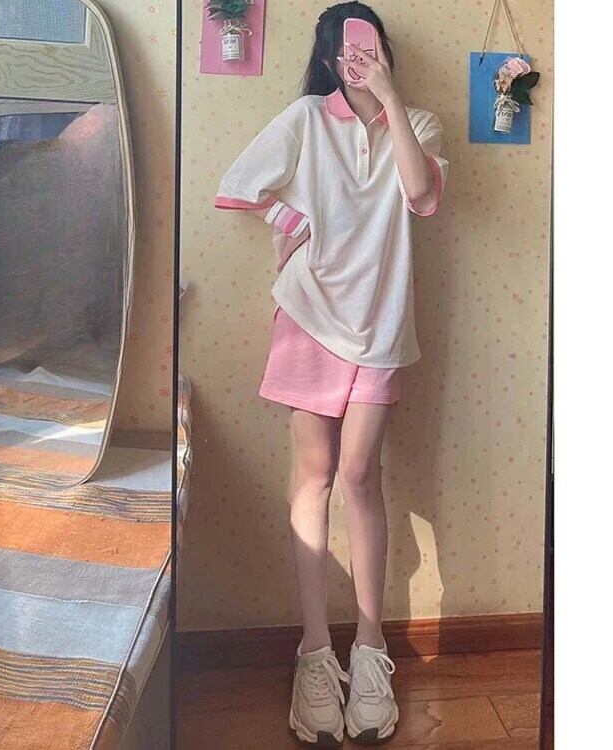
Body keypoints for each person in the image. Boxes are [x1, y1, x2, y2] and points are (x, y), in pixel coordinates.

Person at [215, 2, 448, 745]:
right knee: (313, 479)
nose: (357, 57)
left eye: (368, 46)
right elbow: (238, 186)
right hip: (309, 317)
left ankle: (371, 648)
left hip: (381, 326)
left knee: (359, 474)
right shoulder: (306, 120)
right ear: (326, 58)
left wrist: (390, 100)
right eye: (345, 49)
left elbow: (421, 196)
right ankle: (315, 654)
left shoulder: (420, 124)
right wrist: (297, 223)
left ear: (384, 51)